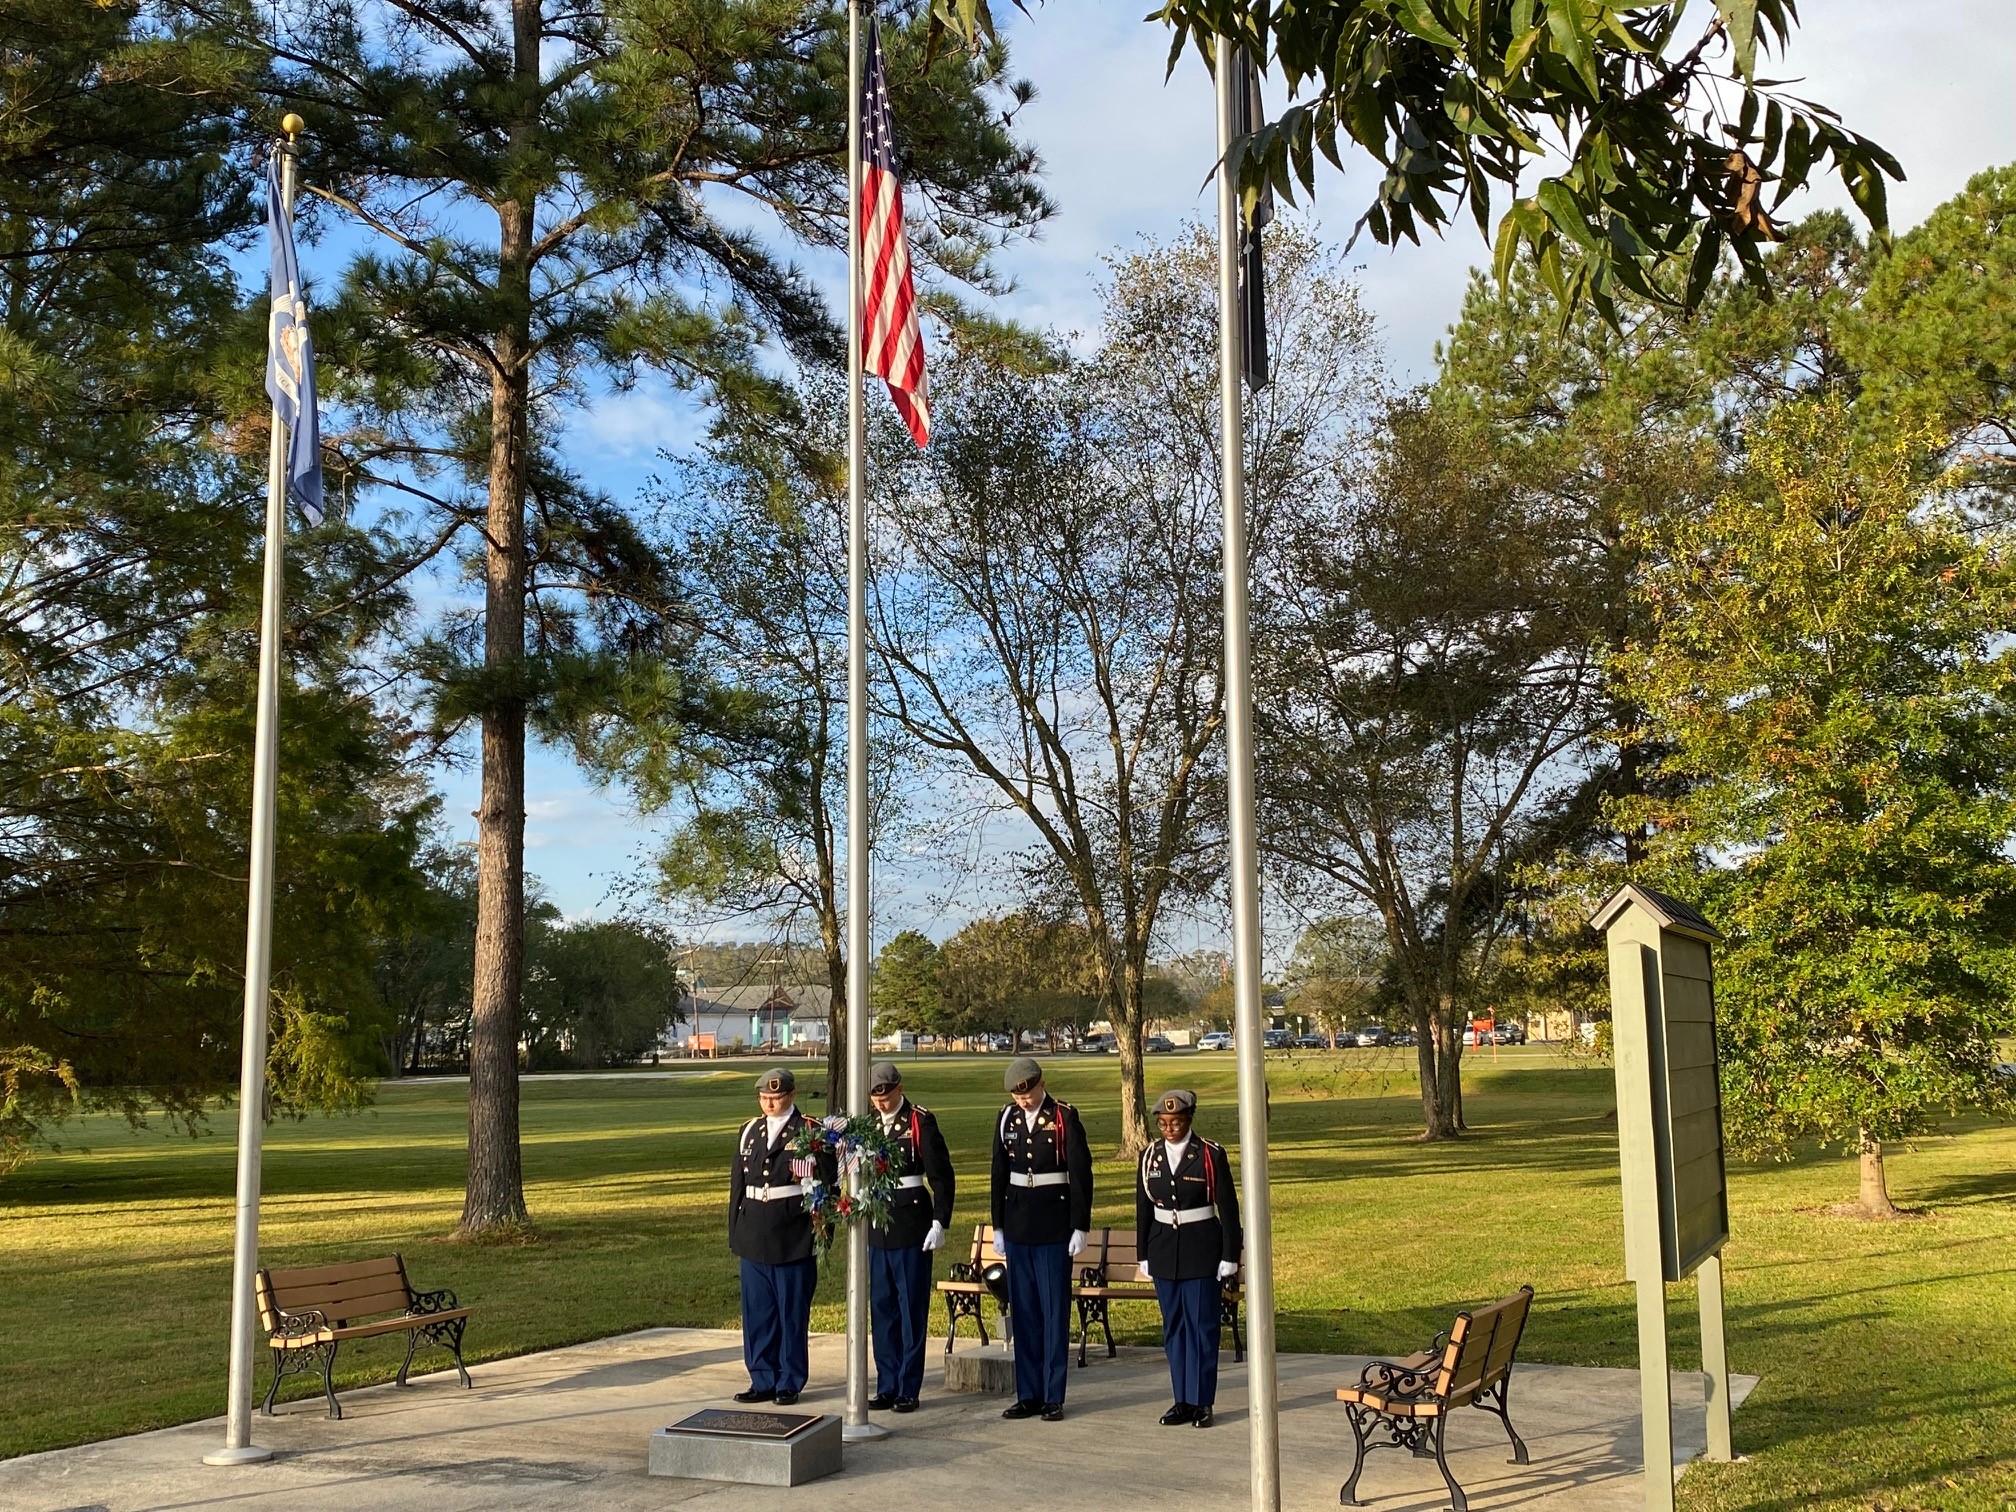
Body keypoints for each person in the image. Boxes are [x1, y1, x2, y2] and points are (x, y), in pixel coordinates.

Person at [990, 1056, 1093, 1422]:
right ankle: (1028, 1393)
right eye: (1019, 1097)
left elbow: (1081, 1174)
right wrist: (998, 1227)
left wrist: (1080, 1225)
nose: (1025, 1101)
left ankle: (1053, 1395)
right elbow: (999, 1174)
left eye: (1029, 1093)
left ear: (1040, 1083)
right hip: (1019, 1225)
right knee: (1026, 1314)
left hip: (1053, 1226)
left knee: (1053, 1313)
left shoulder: (1064, 1117)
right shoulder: (1007, 1119)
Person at [1134, 1088, 1242, 1428]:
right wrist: (1143, 1252)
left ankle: (1202, 1401)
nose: (1169, 1129)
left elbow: (1228, 1208)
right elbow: (1143, 1208)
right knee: (1174, 1329)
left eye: (1176, 1122)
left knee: (1202, 1329)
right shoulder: (1150, 1156)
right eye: (1164, 1123)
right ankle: (1181, 1399)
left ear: (1189, 1120)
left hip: (1200, 1250)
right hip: (1164, 1250)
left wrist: (1230, 1254)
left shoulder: (1209, 1154)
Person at [728, 1067, 831, 1406]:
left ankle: (789, 1379)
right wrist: (735, 1232)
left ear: (791, 1095)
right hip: (754, 1232)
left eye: (776, 1097)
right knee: (758, 1312)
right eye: (764, 1098)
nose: (769, 1103)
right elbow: (738, 1188)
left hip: (793, 1234)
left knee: (790, 1312)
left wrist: (822, 1234)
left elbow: (825, 1184)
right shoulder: (749, 1132)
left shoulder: (809, 1131)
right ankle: (761, 1377)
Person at [865, 1060, 955, 1413]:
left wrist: (939, 1222)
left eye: (886, 1095)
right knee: (882, 1309)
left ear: (899, 1088)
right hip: (878, 1226)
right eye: (876, 1097)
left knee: (910, 1309)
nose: (882, 1103)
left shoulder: (919, 1121)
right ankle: (886, 1383)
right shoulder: (869, 1124)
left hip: (911, 1223)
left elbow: (941, 1176)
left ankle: (907, 1387)